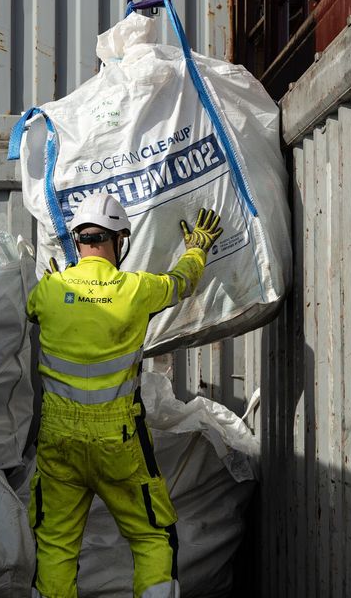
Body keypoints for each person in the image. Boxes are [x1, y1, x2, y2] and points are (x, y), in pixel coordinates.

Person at [25, 192, 224, 598]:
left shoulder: (48, 290)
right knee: (152, 536)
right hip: (119, 441)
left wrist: (59, 284)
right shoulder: (135, 289)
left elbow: (34, 309)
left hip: (58, 441)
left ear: (79, 240)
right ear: (119, 241)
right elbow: (181, 283)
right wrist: (197, 249)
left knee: (56, 545)